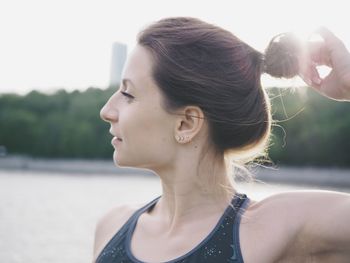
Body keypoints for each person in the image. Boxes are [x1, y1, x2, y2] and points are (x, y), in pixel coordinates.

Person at [94, 17, 350, 262]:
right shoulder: (111, 227)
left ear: (187, 123)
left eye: (128, 94)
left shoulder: (274, 228)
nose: (107, 111)